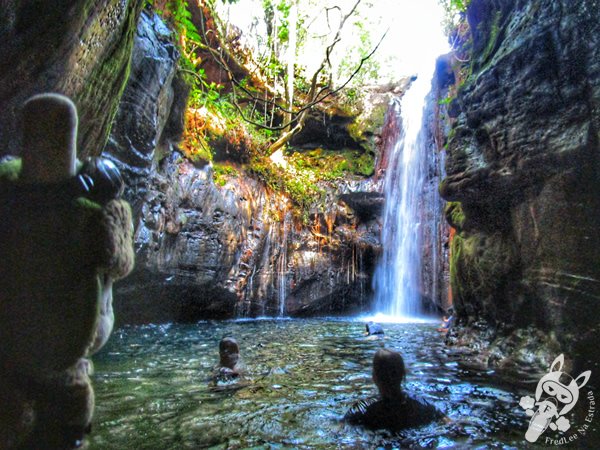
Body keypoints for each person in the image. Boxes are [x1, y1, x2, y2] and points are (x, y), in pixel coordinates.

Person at [345, 348, 443, 430]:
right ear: (403, 375)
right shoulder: (421, 404)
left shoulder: (362, 409)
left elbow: (338, 430)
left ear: (374, 377)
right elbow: (448, 423)